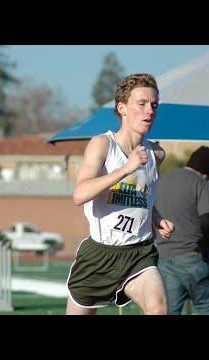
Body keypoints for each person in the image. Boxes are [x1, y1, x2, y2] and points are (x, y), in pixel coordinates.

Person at [66, 73, 174, 315]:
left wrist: (156, 218)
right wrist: (126, 168)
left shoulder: (156, 154)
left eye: (154, 105)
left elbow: (142, 197)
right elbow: (79, 194)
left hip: (139, 252)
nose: (149, 111)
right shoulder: (103, 144)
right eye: (142, 103)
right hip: (100, 254)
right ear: (122, 108)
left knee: (158, 308)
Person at [155, 146, 209, 315]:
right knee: (207, 309)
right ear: (206, 173)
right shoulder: (201, 183)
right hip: (194, 258)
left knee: (168, 311)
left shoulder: (162, 180)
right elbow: (207, 222)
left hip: (164, 259)